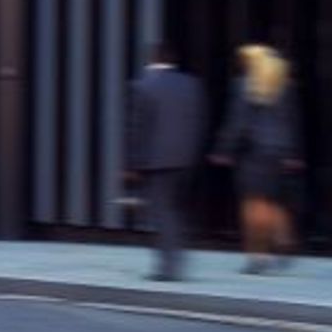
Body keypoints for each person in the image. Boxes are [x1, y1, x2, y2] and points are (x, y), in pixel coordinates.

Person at [211, 44, 304, 274]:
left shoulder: (243, 85)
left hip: (253, 152)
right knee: (272, 200)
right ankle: (284, 237)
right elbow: (292, 122)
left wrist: (224, 149)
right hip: (279, 151)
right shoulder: (284, 85)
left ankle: (258, 256)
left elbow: (237, 122)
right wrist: (293, 154)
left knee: (253, 204)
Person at [125, 43, 206, 281]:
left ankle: (168, 267)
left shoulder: (143, 86)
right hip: (186, 159)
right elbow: (199, 122)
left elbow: (136, 129)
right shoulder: (191, 84)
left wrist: (132, 164)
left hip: (156, 161)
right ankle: (177, 258)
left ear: (152, 60)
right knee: (178, 211)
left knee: (162, 214)